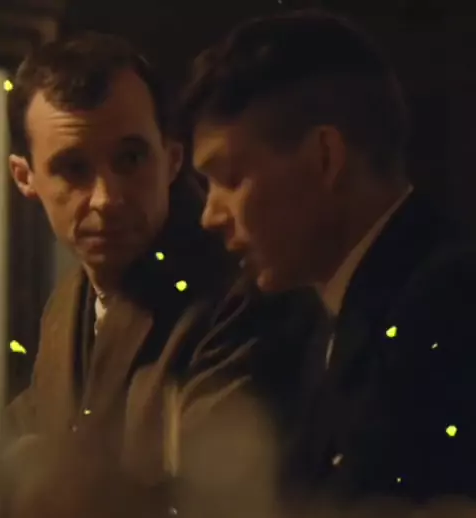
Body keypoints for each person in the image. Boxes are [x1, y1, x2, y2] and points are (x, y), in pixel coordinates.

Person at [2, 31, 323, 501]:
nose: (107, 199)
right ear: (25, 177)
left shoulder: (239, 293)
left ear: (172, 160)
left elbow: (216, 497)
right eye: (74, 168)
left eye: (130, 159)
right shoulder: (67, 304)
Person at [181, 8, 476, 508]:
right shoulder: (312, 316)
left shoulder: (449, 309)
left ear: (325, 157)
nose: (210, 215)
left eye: (229, 177)